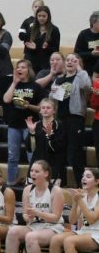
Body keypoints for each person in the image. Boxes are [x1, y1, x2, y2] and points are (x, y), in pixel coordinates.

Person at [0, 160, 64, 253]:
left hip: (52, 227)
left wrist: (38, 212)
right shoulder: (28, 189)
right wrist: (28, 216)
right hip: (34, 225)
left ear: (46, 174)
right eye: (32, 171)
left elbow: (56, 217)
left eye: (37, 171)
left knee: (31, 237)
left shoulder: (55, 190)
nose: (32, 173)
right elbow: (24, 215)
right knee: (13, 231)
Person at [37, 53, 90, 186]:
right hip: (60, 119)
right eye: (68, 60)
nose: (70, 62)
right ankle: (60, 182)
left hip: (75, 118)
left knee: (75, 153)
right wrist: (53, 93)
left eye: (74, 60)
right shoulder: (59, 79)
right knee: (59, 151)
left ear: (78, 62)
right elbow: (52, 100)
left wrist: (79, 68)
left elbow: (87, 86)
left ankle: (81, 184)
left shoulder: (80, 77)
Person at [48, 167, 99, 253]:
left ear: (97, 181)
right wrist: (75, 202)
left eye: (88, 176)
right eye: (83, 176)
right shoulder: (83, 196)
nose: (83, 178)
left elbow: (92, 219)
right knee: (56, 239)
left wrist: (80, 201)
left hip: (96, 233)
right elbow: (72, 220)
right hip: (84, 232)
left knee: (69, 241)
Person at [2, 59, 43, 185]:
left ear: (28, 70)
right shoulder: (13, 84)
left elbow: (41, 108)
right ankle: (10, 181)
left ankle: (32, 182)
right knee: (12, 156)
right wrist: (14, 83)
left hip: (30, 125)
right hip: (14, 125)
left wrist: (28, 106)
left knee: (32, 155)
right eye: (18, 67)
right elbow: (6, 99)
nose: (19, 69)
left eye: (23, 67)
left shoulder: (36, 86)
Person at [25, 98, 66, 185]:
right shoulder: (36, 125)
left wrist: (50, 135)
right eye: (43, 108)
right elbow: (30, 148)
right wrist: (31, 132)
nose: (45, 110)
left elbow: (57, 149)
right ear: (40, 110)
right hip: (36, 163)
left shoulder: (59, 125)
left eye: (48, 108)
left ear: (54, 111)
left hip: (53, 166)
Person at [23, 5, 60, 74]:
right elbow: (26, 51)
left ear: (48, 17)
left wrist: (47, 47)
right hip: (33, 64)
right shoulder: (31, 29)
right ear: (36, 16)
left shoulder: (54, 30)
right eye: (39, 16)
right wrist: (32, 48)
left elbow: (56, 50)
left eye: (44, 16)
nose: (41, 18)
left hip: (46, 65)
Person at [74, 10, 99, 75]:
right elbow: (77, 54)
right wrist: (91, 54)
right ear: (93, 22)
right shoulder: (84, 34)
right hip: (86, 69)